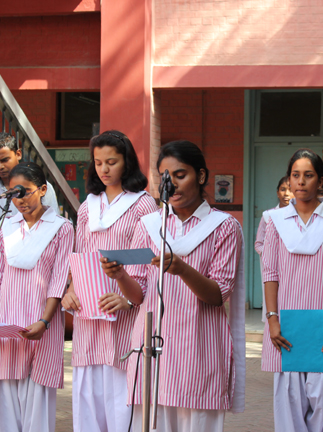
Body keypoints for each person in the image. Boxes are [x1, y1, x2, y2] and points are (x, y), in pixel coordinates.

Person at [102, 140, 246, 431]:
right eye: (165, 177)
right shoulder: (149, 225)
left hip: (199, 346)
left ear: (201, 176)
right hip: (153, 344)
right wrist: (120, 276)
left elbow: (218, 294)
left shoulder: (223, 227)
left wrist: (182, 270)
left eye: (180, 175)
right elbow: (138, 294)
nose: (172, 184)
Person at [60, 130, 158, 432]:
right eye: (98, 162)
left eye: (112, 162)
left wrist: (128, 298)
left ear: (127, 162)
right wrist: (70, 290)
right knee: (88, 394)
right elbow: (80, 255)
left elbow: (147, 261)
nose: (104, 169)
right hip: (89, 314)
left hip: (124, 308)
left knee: (121, 396)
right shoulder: (88, 206)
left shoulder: (143, 205)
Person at [0, 162, 73, 432]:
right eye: (14, 194)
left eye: (25, 192)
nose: (20, 200)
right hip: (4, 324)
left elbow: (58, 281)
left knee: (36, 404)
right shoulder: (6, 226)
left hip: (39, 324)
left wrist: (44, 321)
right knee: (2, 404)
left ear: (42, 190)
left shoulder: (61, 228)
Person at [261, 149, 323, 432]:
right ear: (289, 180)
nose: (301, 182)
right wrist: (272, 319)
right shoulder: (274, 220)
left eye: (309, 175)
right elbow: (270, 273)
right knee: (289, 403)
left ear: (321, 180)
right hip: (286, 324)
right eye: (295, 175)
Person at [0, 132, 59, 267]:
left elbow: (53, 229)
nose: (0, 166)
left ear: (18, 154)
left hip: (34, 269)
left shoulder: (41, 188)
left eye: (5, 160)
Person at [254, 176, 291, 322]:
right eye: (283, 189)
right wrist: (273, 254)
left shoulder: (301, 216)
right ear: (277, 193)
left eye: (290, 190)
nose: (286, 194)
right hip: (273, 268)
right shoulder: (268, 216)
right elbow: (259, 244)